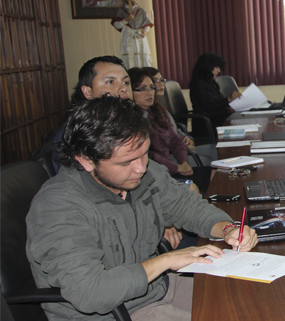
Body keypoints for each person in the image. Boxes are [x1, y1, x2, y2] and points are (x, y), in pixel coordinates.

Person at [26, 96, 258, 320]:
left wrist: (228, 228)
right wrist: (167, 261)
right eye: (126, 162)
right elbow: (89, 292)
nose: (140, 168)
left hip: (157, 289)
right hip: (113, 313)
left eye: (144, 153)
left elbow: (188, 207)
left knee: (249, 303)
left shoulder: (144, 174)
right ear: (86, 160)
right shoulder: (58, 206)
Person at [128, 68, 213, 194]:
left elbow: (175, 140)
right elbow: (152, 157)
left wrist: (184, 162)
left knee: (217, 174)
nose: (150, 92)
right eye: (142, 89)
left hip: (173, 165)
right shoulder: (133, 119)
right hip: (160, 173)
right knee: (209, 178)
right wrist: (178, 167)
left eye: (151, 88)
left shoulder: (156, 111)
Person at [52, 55, 132, 173]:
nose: (123, 88)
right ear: (88, 92)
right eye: (110, 82)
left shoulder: (131, 123)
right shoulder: (76, 134)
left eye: (126, 82)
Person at [141, 66, 218, 166]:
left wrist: (185, 137)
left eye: (161, 80)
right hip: (171, 154)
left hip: (179, 147)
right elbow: (163, 142)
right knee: (207, 160)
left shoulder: (158, 107)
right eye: (156, 81)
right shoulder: (147, 112)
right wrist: (184, 146)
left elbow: (173, 129)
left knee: (217, 151)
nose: (160, 84)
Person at [189, 53, 242, 137]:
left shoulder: (210, 82)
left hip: (216, 119)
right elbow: (208, 106)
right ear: (207, 67)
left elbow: (217, 103)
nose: (219, 71)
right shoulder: (197, 84)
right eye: (216, 67)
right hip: (206, 125)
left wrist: (228, 109)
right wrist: (228, 99)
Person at [110, 0, 153, 68]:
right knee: (130, 59)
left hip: (140, 37)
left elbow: (147, 23)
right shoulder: (121, 11)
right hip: (128, 36)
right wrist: (126, 20)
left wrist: (145, 31)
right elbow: (117, 25)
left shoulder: (141, 10)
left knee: (143, 58)